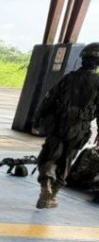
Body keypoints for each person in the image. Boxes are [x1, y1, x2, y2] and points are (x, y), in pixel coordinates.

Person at [33, 42, 99, 209]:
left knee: (50, 156)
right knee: (66, 160)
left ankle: (46, 182)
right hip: (80, 128)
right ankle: (52, 195)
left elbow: (49, 99)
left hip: (58, 124)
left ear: (83, 59)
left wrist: (37, 120)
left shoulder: (69, 78)